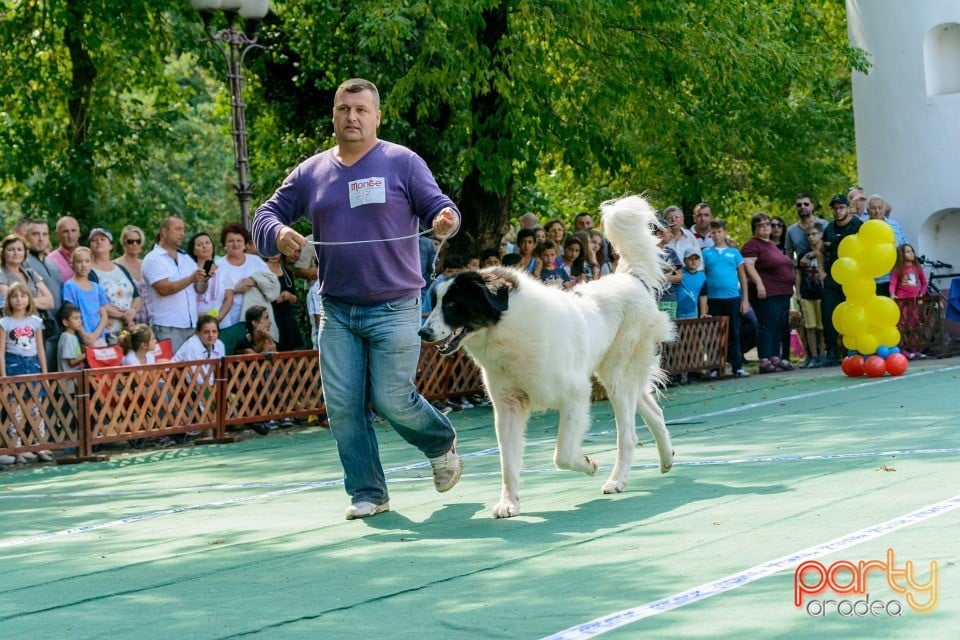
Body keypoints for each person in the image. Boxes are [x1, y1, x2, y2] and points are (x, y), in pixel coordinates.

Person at [251, 77, 462, 520]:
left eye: (362, 110)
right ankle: (369, 492)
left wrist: (445, 221)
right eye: (345, 109)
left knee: (391, 398)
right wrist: (279, 232)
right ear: (333, 115)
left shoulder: (403, 162)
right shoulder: (311, 173)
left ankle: (440, 442)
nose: (352, 117)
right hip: (337, 310)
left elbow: (442, 209)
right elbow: (263, 216)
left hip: (396, 304)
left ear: (377, 117)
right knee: (343, 407)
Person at [0, 282, 53, 462]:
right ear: (9, 300)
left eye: (22, 296)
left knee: (36, 408)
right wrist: (4, 376)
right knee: (15, 409)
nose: (19, 300)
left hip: (33, 365)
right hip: (13, 364)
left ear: (28, 299)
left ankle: (40, 447)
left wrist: (44, 373)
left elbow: (40, 349)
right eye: (14, 296)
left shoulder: (36, 321)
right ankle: (18, 449)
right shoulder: (4, 322)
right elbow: (0, 352)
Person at [142, 216, 209, 353]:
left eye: (183, 229)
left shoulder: (186, 258)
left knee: (191, 372)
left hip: (190, 326)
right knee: (171, 371)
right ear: (164, 232)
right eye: (178, 229)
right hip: (167, 327)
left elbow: (199, 289)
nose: (182, 233)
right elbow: (164, 289)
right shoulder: (153, 259)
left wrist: (204, 279)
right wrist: (191, 278)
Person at [741, 213, 796, 373]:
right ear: (754, 228)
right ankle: (764, 360)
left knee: (779, 325)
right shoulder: (753, 244)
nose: (765, 227)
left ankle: (774, 357)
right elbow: (748, 265)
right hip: (767, 293)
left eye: (767, 224)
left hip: (782, 293)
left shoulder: (771, 244)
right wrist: (759, 283)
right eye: (760, 225)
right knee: (767, 325)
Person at [700, 220, 750, 377]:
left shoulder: (734, 253)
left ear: (725, 232)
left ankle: (737, 366)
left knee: (733, 333)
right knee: (715, 333)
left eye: (719, 231)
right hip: (713, 299)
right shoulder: (706, 253)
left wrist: (745, 300)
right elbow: (703, 276)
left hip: (733, 298)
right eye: (713, 232)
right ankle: (715, 368)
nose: (716, 235)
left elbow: (742, 276)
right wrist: (704, 302)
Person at [820, 194, 863, 366]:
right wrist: (822, 272)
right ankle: (831, 352)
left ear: (848, 208)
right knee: (828, 314)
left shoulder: (858, 226)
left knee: (854, 315)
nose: (838, 211)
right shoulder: (829, 228)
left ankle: (855, 350)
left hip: (853, 280)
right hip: (832, 279)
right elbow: (820, 251)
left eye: (841, 207)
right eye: (835, 208)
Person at [215, 222, 269, 354]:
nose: (235, 244)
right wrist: (234, 289)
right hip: (229, 319)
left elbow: (270, 282)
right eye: (230, 241)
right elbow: (213, 293)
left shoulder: (255, 261)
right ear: (224, 244)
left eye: (239, 240)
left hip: (254, 317)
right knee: (231, 354)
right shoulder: (218, 265)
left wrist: (254, 281)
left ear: (245, 243)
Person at [89, 227, 142, 339]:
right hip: (107, 331)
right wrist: (123, 316)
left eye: (103, 239)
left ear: (111, 246)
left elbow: (137, 296)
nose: (98, 241)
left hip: (130, 328)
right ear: (90, 246)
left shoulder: (120, 268)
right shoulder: (89, 271)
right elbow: (96, 303)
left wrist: (132, 311)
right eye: (94, 240)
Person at [62, 247, 115, 347]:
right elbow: (71, 314)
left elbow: (104, 315)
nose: (83, 265)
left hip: (98, 337)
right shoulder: (70, 286)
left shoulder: (97, 287)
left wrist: (95, 335)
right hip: (81, 338)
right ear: (72, 264)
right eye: (79, 261)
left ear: (91, 263)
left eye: (87, 261)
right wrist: (84, 336)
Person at [0, 234, 56, 322]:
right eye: (11, 250)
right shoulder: (1, 275)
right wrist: (38, 298)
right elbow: (10, 302)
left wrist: (22, 300)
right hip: (15, 327)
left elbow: (50, 302)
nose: (16, 253)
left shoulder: (31, 273)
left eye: (19, 249)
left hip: (39, 325)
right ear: (3, 253)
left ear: (25, 253)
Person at [889, 243, 929, 359]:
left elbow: (924, 283)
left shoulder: (917, 267)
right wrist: (892, 294)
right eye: (907, 251)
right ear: (901, 254)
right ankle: (902, 350)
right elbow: (893, 283)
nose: (911, 253)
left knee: (914, 324)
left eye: (912, 251)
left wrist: (921, 294)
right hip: (902, 302)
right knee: (902, 325)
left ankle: (915, 349)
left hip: (915, 301)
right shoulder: (898, 269)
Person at [796, 222, 826, 368]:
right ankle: (813, 356)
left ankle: (822, 354)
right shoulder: (802, 255)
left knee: (821, 327)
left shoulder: (824, 253)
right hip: (807, 294)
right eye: (808, 235)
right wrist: (798, 292)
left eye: (814, 234)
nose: (811, 237)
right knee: (810, 326)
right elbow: (799, 275)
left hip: (821, 294)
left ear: (821, 235)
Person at [866, 194, 909, 297]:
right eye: (873, 208)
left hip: (898, 278)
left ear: (884, 209)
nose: (877, 211)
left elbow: (905, 247)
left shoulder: (895, 225)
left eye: (880, 208)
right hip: (876, 281)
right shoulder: (864, 228)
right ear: (868, 211)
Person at [187, 231, 234, 321]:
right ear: (193, 251)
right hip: (195, 322)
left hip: (221, 323)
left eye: (207, 243)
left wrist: (219, 317)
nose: (204, 246)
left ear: (212, 246)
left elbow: (229, 298)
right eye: (200, 245)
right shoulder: (188, 272)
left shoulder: (224, 271)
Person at [266, 250, 304, 351]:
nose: (273, 254)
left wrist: (288, 296)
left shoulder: (287, 272)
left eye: (276, 251)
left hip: (287, 317)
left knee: (290, 350)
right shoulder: (261, 269)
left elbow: (294, 298)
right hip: (269, 316)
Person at [114, 225, 152, 326]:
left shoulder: (146, 264)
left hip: (151, 320)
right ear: (124, 243)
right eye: (131, 241)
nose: (135, 244)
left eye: (138, 241)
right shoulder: (115, 265)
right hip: (128, 320)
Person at [784, 193, 828, 260]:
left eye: (806, 204)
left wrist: (809, 255)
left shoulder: (824, 224)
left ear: (812, 206)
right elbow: (789, 255)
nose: (802, 206)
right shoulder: (791, 231)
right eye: (799, 205)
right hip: (801, 268)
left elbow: (830, 248)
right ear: (796, 208)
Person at [655, 221, 683, 319]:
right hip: (651, 298)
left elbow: (679, 277)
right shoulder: (648, 253)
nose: (671, 235)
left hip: (669, 296)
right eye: (668, 232)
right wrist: (666, 272)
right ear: (658, 233)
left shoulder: (671, 253)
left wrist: (665, 276)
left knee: (670, 327)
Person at [47, 215, 81, 282]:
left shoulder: (89, 256)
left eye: (73, 230)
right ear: (57, 234)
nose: (70, 236)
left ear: (79, 233)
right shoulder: (50, 260)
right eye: (65, 231)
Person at [56, 303, 86, 378]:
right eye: (76, 318)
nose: (80, 321)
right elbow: (72, 362)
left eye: (80, 318)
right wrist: (88, 353)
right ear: (65, 322)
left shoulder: (72, 336)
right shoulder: (67, 337)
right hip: (67, 383)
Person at [676, 249, 706, 320]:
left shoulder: (702, 276)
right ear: (684, 260)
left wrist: (703, 313)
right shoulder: (678, 274)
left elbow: (703, 295)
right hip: (676, 314)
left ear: (699, 261)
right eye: (690, 259)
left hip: (693, 314)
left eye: (696, 259)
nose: (693, 261)